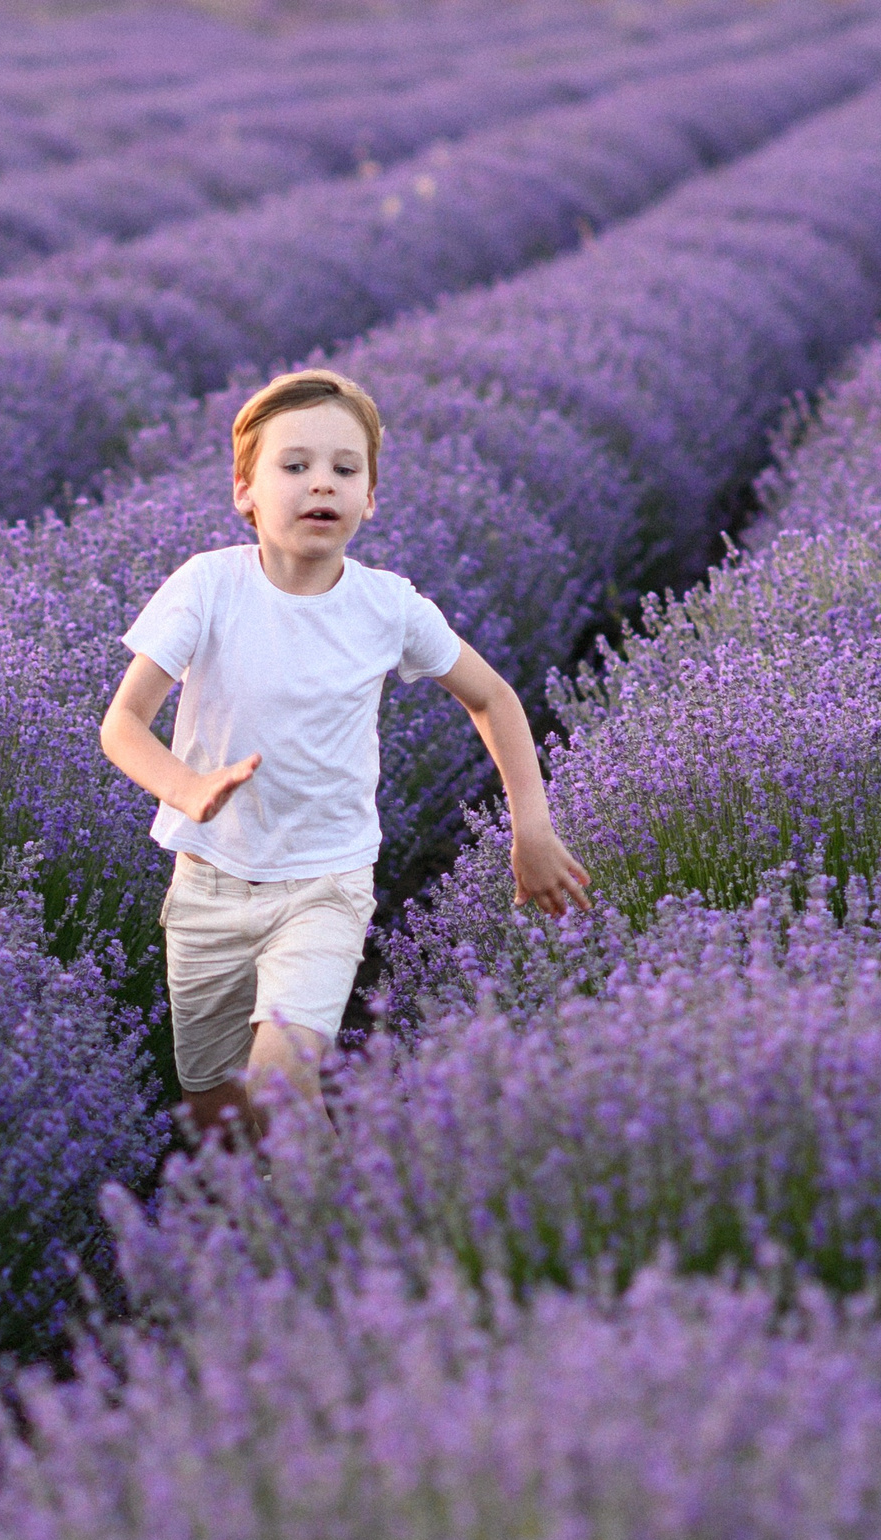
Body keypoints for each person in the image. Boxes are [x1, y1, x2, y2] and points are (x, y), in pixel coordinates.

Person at [98, 367, 590, 1141]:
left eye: (343, 468)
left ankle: (333, 1249)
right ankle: (287, 1231)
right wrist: (185, 786)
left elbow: (493, 697)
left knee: (278, 1082)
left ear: (370, 498)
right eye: (294, 466)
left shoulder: (386, 604)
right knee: (223, 1115)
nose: (319, 482)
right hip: (206, 888)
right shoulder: (207, 587)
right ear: (245, 490)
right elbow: (123, 722)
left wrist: (531, 827)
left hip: (325, 886)